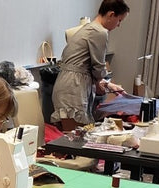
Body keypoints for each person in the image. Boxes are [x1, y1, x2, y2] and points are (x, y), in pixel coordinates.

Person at [51, 0, 130, 130]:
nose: (119, 25)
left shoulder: (89, 29)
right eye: (119, 20)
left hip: (68, 84)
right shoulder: (99, 32)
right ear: (111, 15)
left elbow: (92, 68)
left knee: (72, 137)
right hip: (73, 87)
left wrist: (107, 84)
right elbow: (98, 66)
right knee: (74, 140)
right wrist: (104, 83)